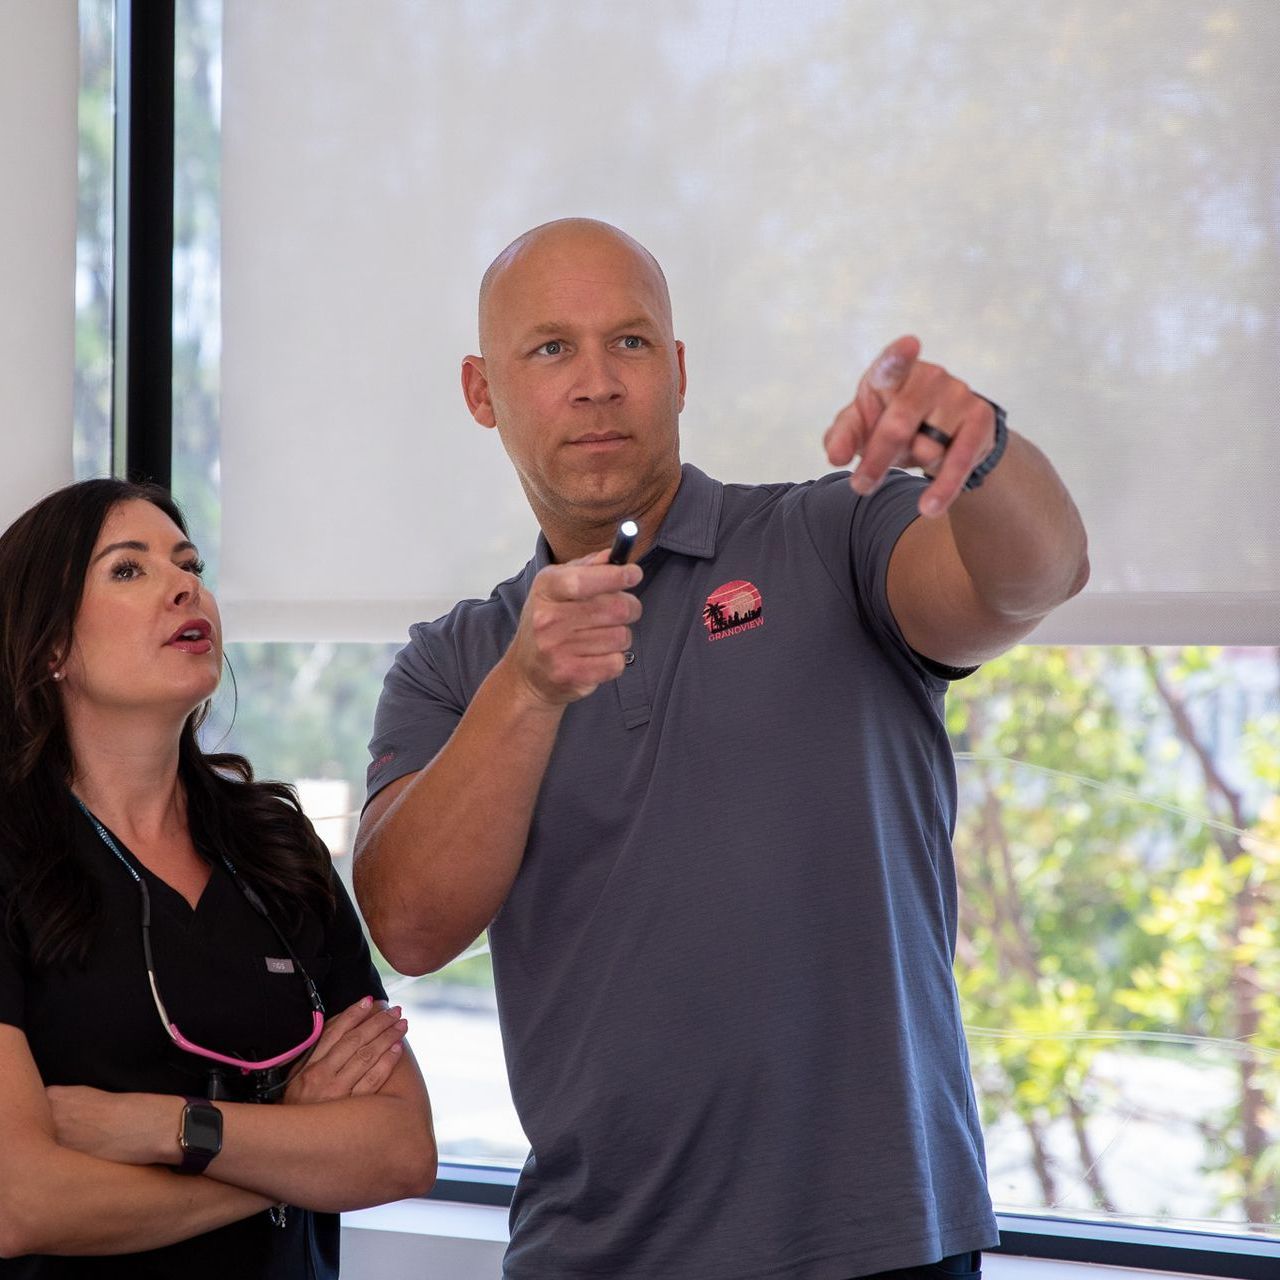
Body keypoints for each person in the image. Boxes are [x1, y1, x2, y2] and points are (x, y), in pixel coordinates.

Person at [354, 218, 1089, 1280]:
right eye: (551, 348)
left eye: (632, 343)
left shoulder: (829, 537)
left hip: (878, 1248)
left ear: (680, 371)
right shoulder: (452, 662)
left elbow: (1028, 580)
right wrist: (526, 687)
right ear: (482, 392)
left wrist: (983, 458)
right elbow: (409, 922)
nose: (598, 382)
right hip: (593, 1254)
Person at [0, 479, 436, 1279]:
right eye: (129, 571)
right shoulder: (11, 854)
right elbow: (21, 1202)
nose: (184, 585)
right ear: (50, 645)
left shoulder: (275, 845)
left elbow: (400, 1151)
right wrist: (284, 1151)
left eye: (189, 562)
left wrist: (164, 1128)